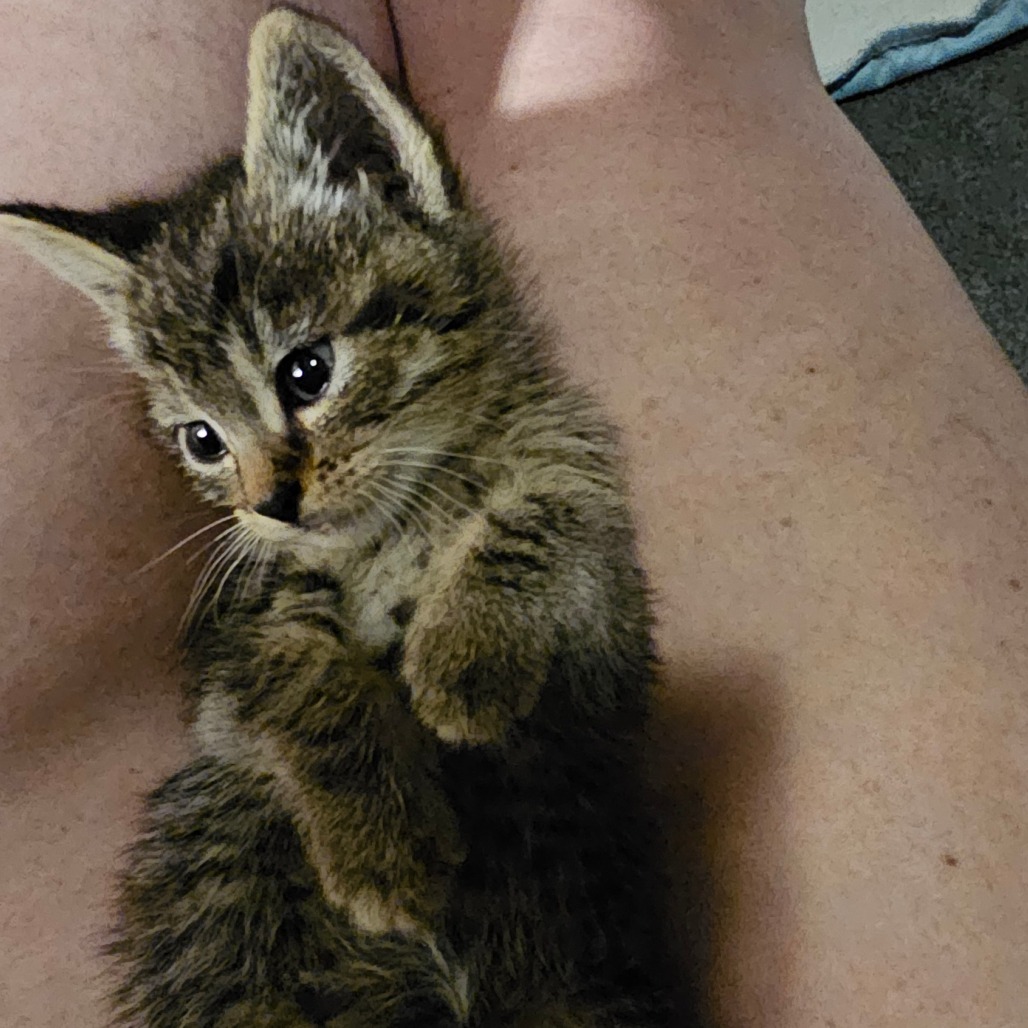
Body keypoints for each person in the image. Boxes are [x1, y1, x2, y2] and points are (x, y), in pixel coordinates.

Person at [1, 1, 1023, 1024]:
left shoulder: (544, 461)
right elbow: (243, 693)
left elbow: (573, 623)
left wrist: (511, 576)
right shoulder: (287, 586)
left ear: (388, 187)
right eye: (206, 444)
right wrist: (341, 738)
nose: (268, 490)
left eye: (305, 374)